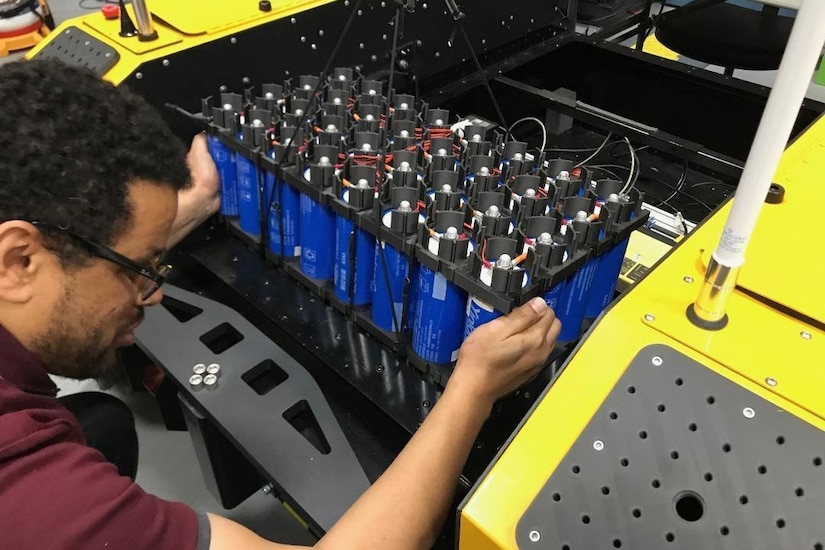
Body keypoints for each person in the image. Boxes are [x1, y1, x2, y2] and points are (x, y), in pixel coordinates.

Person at [0, 59, 561, 550]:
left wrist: (193, 209)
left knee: (103, 424)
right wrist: (473, 387)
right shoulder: (36, 500)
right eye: (139, 268)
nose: (156, 291)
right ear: (19, 260)